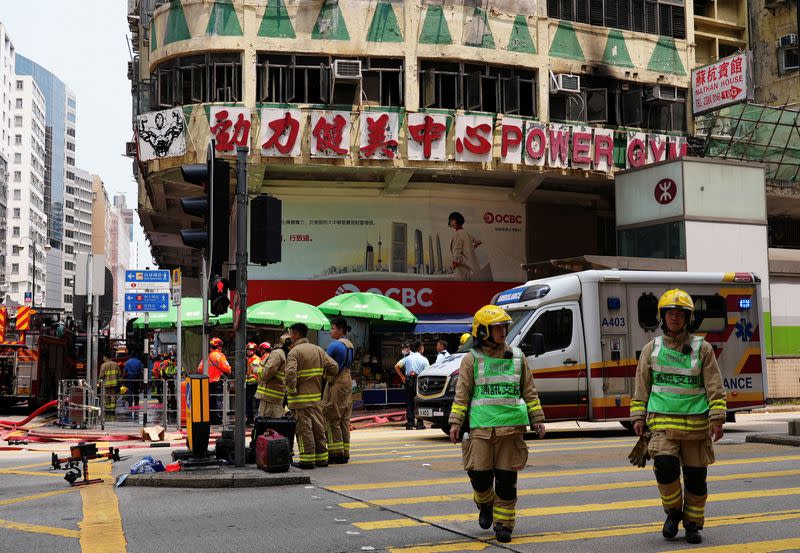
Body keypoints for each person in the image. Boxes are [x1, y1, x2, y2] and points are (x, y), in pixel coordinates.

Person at [630, 289, 727, 545]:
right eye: (669, 313)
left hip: (696, 424)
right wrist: (638, 415)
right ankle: (673, 513)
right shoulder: (652, 348)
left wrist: (717, 418)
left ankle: (692, 524)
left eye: (679, 313)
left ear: (688, 318)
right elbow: (641, 387)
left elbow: (714, 386)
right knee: (665, 468)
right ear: (663, 317)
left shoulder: (702, 348)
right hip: (661, 422)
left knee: (696, 480)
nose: (674, 318)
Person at [448, 305, 546, 543]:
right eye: (498, 328)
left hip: (511, 430)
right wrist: (455, 422)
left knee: (506, 481)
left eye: (504, 327)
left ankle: (504, 525)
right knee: (480, 479)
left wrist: (538, 419)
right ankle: (484, 504)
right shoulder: (472, 360)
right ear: (482, 332)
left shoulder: (518, 357)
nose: (504, 332)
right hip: (481, 430)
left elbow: (530, 392)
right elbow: (462, 395)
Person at [284, 323, 339, 469]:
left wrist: (291, 389)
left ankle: (307, 460)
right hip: (315, 399)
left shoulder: (294, 352)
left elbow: (290, 374)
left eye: (291, 334)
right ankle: (322, 458)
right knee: (318, 427)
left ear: (295, 334)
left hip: (299, 400)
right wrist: (325, 376)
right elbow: (334, 367)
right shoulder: (318, 350)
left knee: (304, 430)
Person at [324, 317, 355, 464]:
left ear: (341, 330)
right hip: (347, 381)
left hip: (337, 381)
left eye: (333, 328)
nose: (331, 331)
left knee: (332, 418)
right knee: (344, 419)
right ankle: (345, 452)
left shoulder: (334, 345)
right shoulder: (350, 345)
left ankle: (336, 453)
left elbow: (327, 365)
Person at [394, 340, 429, 430]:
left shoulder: (408, 358)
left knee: (409, 401)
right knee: (419, 402)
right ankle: (420, 423)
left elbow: (396, 366)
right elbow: (428, 373)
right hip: (419, 382)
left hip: (409, 381)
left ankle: (410, 423)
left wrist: (402, 376)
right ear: (421, 348)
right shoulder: (424, 359)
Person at [198, 337, 231, 424]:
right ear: (219, 346)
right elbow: (227, 369)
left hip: (208, 382)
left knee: (210, 401)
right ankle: (218, 420)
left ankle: (211, 420)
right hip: (217, 381)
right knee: (218, 401)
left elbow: (199, 369)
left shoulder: (206, 357)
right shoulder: (220, 356)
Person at [254, 335, 287, 418]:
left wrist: (256, 370)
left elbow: (266, 373)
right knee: (276, 423)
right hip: (277, 395)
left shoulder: (277, 354)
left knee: (265, 423)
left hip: (269, 395)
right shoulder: (285, 354)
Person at [448, 211, 482, 281]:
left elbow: (457, 249)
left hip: (460, 266)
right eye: (451, 221)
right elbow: (478, 242)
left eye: (453, 220)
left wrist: (454, 263)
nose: (452, 223)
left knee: (460, 286)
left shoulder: (458, 234)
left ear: (458, 221)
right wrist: (470, 248)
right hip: (469, 266)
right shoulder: (466, 233)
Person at [99, 354, 120, 419]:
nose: (103, 359)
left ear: (105, 357)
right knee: (113, 395)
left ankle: (108, 409)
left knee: (107, 396)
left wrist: (99, 381)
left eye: (103, 357)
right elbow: (119, 373)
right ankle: (113, 409)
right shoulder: (115, 364)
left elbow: (101, 376)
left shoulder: (103, 365)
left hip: (107, 383)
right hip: (114, 383)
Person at [245, 342, 259, 425]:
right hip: (247, 383)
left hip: (254, 383)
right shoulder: (246, 359)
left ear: (254, 350)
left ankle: (255, 419)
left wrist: (250, 376)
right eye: (248, 350)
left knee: (255, 402)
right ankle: (249, 419)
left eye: (251, 350)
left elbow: (257, 372)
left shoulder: (256, 359)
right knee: (248, 402)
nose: (249, 351)